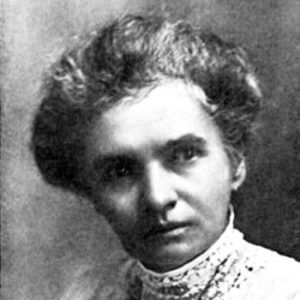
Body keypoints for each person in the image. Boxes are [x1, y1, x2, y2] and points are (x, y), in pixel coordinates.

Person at [31, 15, 300, 300]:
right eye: (120, 171)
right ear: (91, 194)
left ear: (235, 162)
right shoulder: (89, 294)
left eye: (184, 155)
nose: (157, 198)